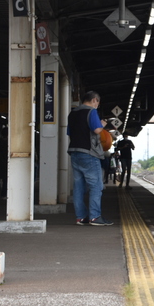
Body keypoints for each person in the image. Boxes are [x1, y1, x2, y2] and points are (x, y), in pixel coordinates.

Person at [67, 91, 113, 226]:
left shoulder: (72, 113)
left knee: (78, 186)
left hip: (75, 152)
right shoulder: (91, 111)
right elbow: (97, 130)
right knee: (96, 186)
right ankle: (95, 217)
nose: (97, 105)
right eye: (97, 102)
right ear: (94, 100)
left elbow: (69, 133)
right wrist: (102, 124)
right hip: (89, 153)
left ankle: (81, 217)